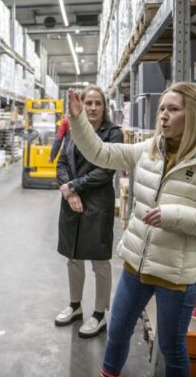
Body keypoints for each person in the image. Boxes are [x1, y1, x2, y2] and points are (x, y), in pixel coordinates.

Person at [66, 82, 196, 377]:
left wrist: (173, 215)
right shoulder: (149, 151)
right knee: (117, 332)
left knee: (171, 348)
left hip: (177, 276)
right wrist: (79, 120)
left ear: (193, 115)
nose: (163, 116)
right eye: (161, 109)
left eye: (173, 109)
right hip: (136, 265)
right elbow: (101, 153)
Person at [54, 86, 123, 338]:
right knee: (73, 257)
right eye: (89, 103)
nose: (93, 108)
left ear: (105, 107)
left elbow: (107, 170)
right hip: (71, 202)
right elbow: (61, 162)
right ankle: (74, 306)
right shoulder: (74, 129)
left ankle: (99, 314)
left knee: (99, 260)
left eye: (98, 103)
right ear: (81, 105)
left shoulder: (113, 133)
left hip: (97, 203)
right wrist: (69, 192)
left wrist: (74, 186)